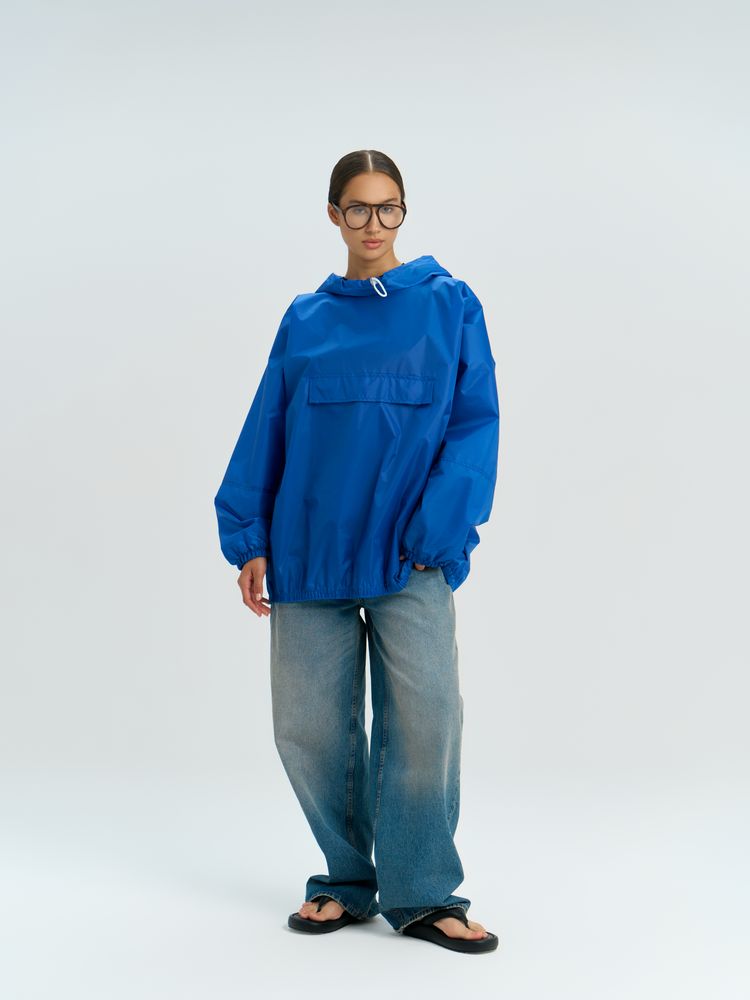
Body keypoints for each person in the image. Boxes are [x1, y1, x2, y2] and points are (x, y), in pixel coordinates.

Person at [213, 149, 500, 954]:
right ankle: (346, 880)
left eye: (388, 207)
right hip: (310, 550)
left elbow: (473, 423)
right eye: (358, 208)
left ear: (403, 212)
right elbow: (269, 424)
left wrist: (437, 534)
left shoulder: (448, 305)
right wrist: (250, 537)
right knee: (308, 730)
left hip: (410, 556)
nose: (374, 224)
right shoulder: (306, 319)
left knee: (426, 722)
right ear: (334, 214)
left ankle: (425, 892)